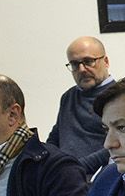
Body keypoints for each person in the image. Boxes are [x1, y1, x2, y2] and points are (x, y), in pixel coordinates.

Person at [47, 35, 113, 176]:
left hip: (98, 178)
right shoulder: (68, 96)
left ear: (106, 61)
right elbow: (55, 137)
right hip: (65, 177)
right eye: (75, 64)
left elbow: (119, 145)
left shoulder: (120, 97)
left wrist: (76, 167)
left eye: (89, 61)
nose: (82, 69)